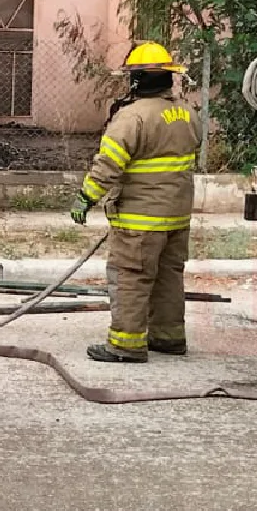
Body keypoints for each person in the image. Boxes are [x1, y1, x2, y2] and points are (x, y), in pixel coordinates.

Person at [69, 42, 200, 363]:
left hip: (140, 221)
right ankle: (169, 337)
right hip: (177, 218)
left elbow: (108, 164)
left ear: (137, 79)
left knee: (130, 276)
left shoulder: (132, 117)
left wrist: (86, 197)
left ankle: (126, 344)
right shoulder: (187, 113)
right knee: (169, 276)